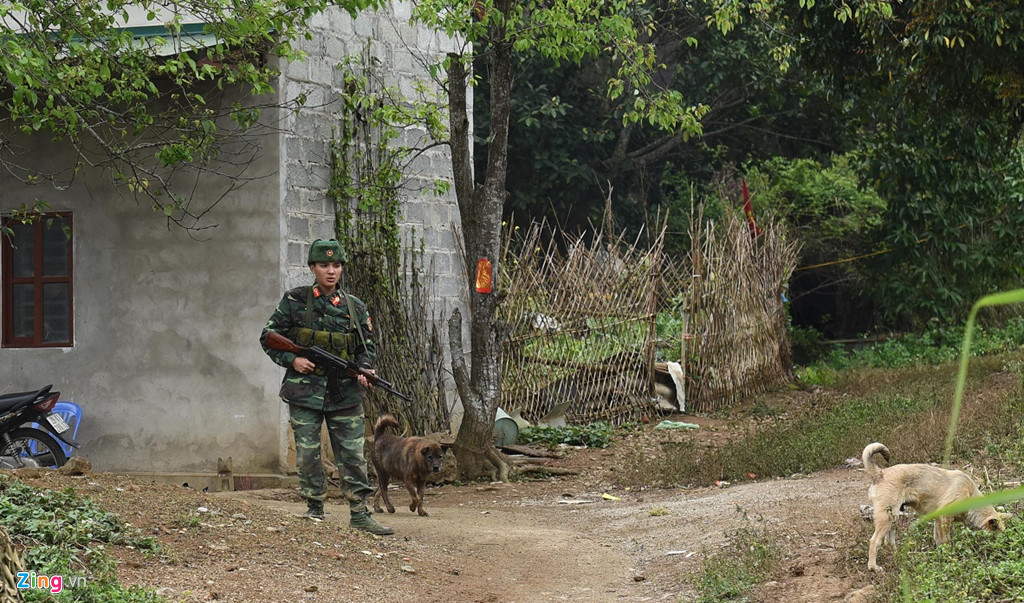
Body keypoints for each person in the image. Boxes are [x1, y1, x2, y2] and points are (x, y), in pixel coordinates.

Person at [260, 238, 394, 536]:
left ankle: (359, 513)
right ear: (312, 268)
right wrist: (292, 360)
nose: (330, 271)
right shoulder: (294, 301)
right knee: (307, 454)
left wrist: (366, 369)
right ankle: (314, 510)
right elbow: (267, 337)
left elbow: (365, 347)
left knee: (352, 455)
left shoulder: (355, 307)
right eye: (324, 265)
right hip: (304, 391)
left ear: (342, 268)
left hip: (344, 393)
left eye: (336, 265)